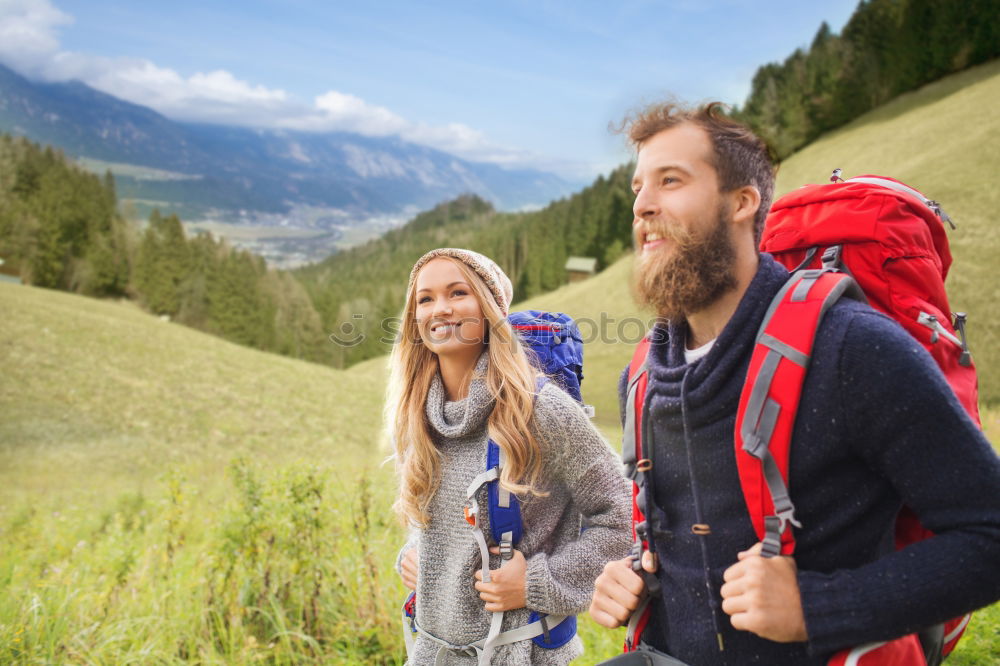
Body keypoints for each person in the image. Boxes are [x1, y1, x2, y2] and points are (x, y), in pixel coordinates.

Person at [588, 102, 1000, 664]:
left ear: (742, 202)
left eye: (671, 180)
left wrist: (818, 606)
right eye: (638, 188)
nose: (642, 206)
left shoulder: (852, 348)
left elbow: (989, 535)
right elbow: (690, 537)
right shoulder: (642, 375)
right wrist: (631, 574)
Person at [390, 247, 631, 665]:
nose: (440, 309)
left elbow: (625, 515)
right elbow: (445, 518)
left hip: (519, 655)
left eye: (458, 293)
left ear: (489, 309)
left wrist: (537, 582)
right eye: (425, 299)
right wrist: (416, 554)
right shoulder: (420, 414)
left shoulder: (539, 410)